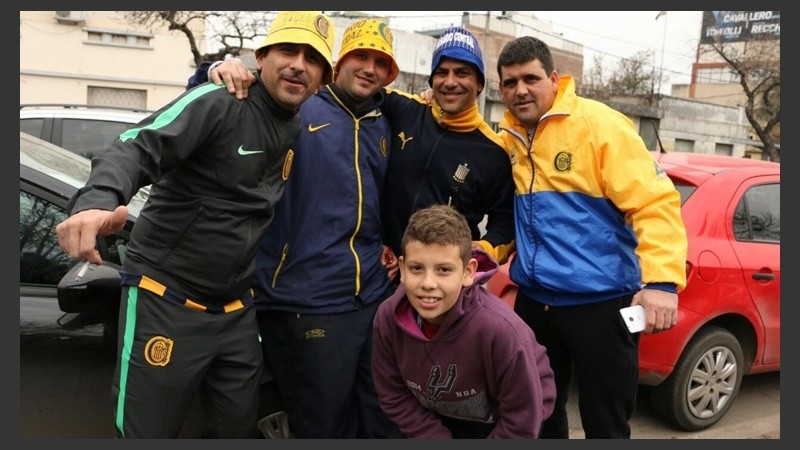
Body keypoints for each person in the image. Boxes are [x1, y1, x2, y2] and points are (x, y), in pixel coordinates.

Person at [54, 11, 335, 438]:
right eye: (288, 50)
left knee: (238, 432)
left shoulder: (292, 127)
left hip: (236, 311)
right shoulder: (220, 100)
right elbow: (137, 146)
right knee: (144, 434)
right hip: (166, 300)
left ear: (321, 80)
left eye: (312, 59)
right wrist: (98, 200)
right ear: (261, 57)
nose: (299, 64)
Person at [494, 36, 688, 439]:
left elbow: (654, 203)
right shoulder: (510, 136)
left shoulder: (600, 126)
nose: (521, 90)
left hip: (600, 305)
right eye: (510, 83)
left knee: (605, 422)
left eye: (530, 79)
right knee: (541, 413)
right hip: (535, 304)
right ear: (501, 90)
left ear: (553, 78)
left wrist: (662, 283)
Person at [206, 26, 515, 267]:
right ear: (431, 80)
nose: (450, 82)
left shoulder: (494, 150)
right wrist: (221, 67)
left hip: (446, 282)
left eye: (462, 73)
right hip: (384, 272)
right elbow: (309, 88)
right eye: (442, 73)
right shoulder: (402, 109)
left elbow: (506, 222)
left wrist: (484, 249)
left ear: (479, 84)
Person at [371, 204, 556, 438]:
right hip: (439, 418)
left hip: (512, 420)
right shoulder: (388, 318)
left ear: (468, 271)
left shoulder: (501, 331)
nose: (428, 283)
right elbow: (393, 394)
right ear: (402, 268)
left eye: (444, 270)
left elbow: (521, 418)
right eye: (416, 268)